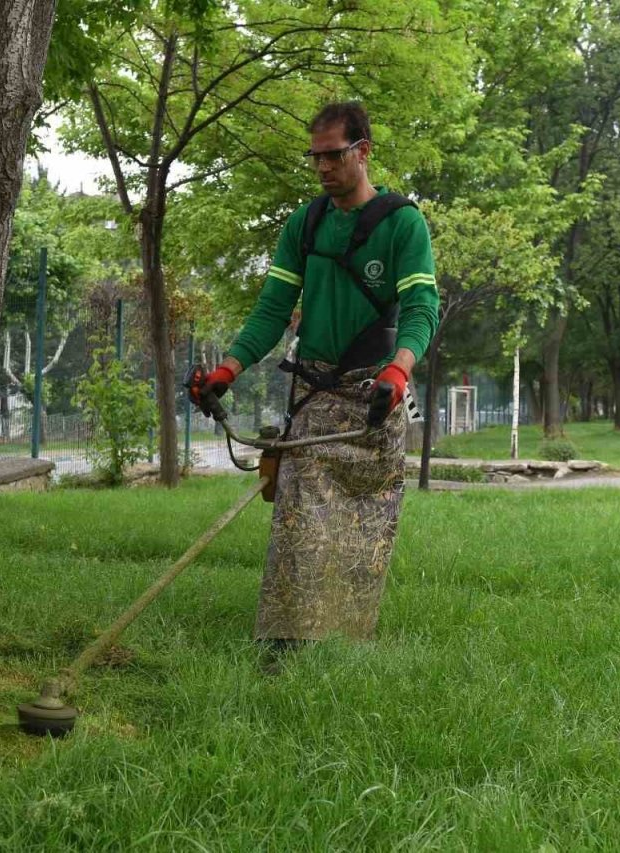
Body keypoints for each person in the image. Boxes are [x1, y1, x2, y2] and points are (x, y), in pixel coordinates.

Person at [191, 101, 438, 650]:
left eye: (333, 155)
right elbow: (272, 309)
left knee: (366, 528)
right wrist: (230, 368)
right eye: (316, 158)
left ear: (363, 151)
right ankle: (285, 645)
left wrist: (400, 370)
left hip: (377, 393)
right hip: (315, 395)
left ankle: (345, 641)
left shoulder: (403, 223)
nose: (323, 168)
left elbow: (421, 306)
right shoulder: (305, 224)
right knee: (300, 520)